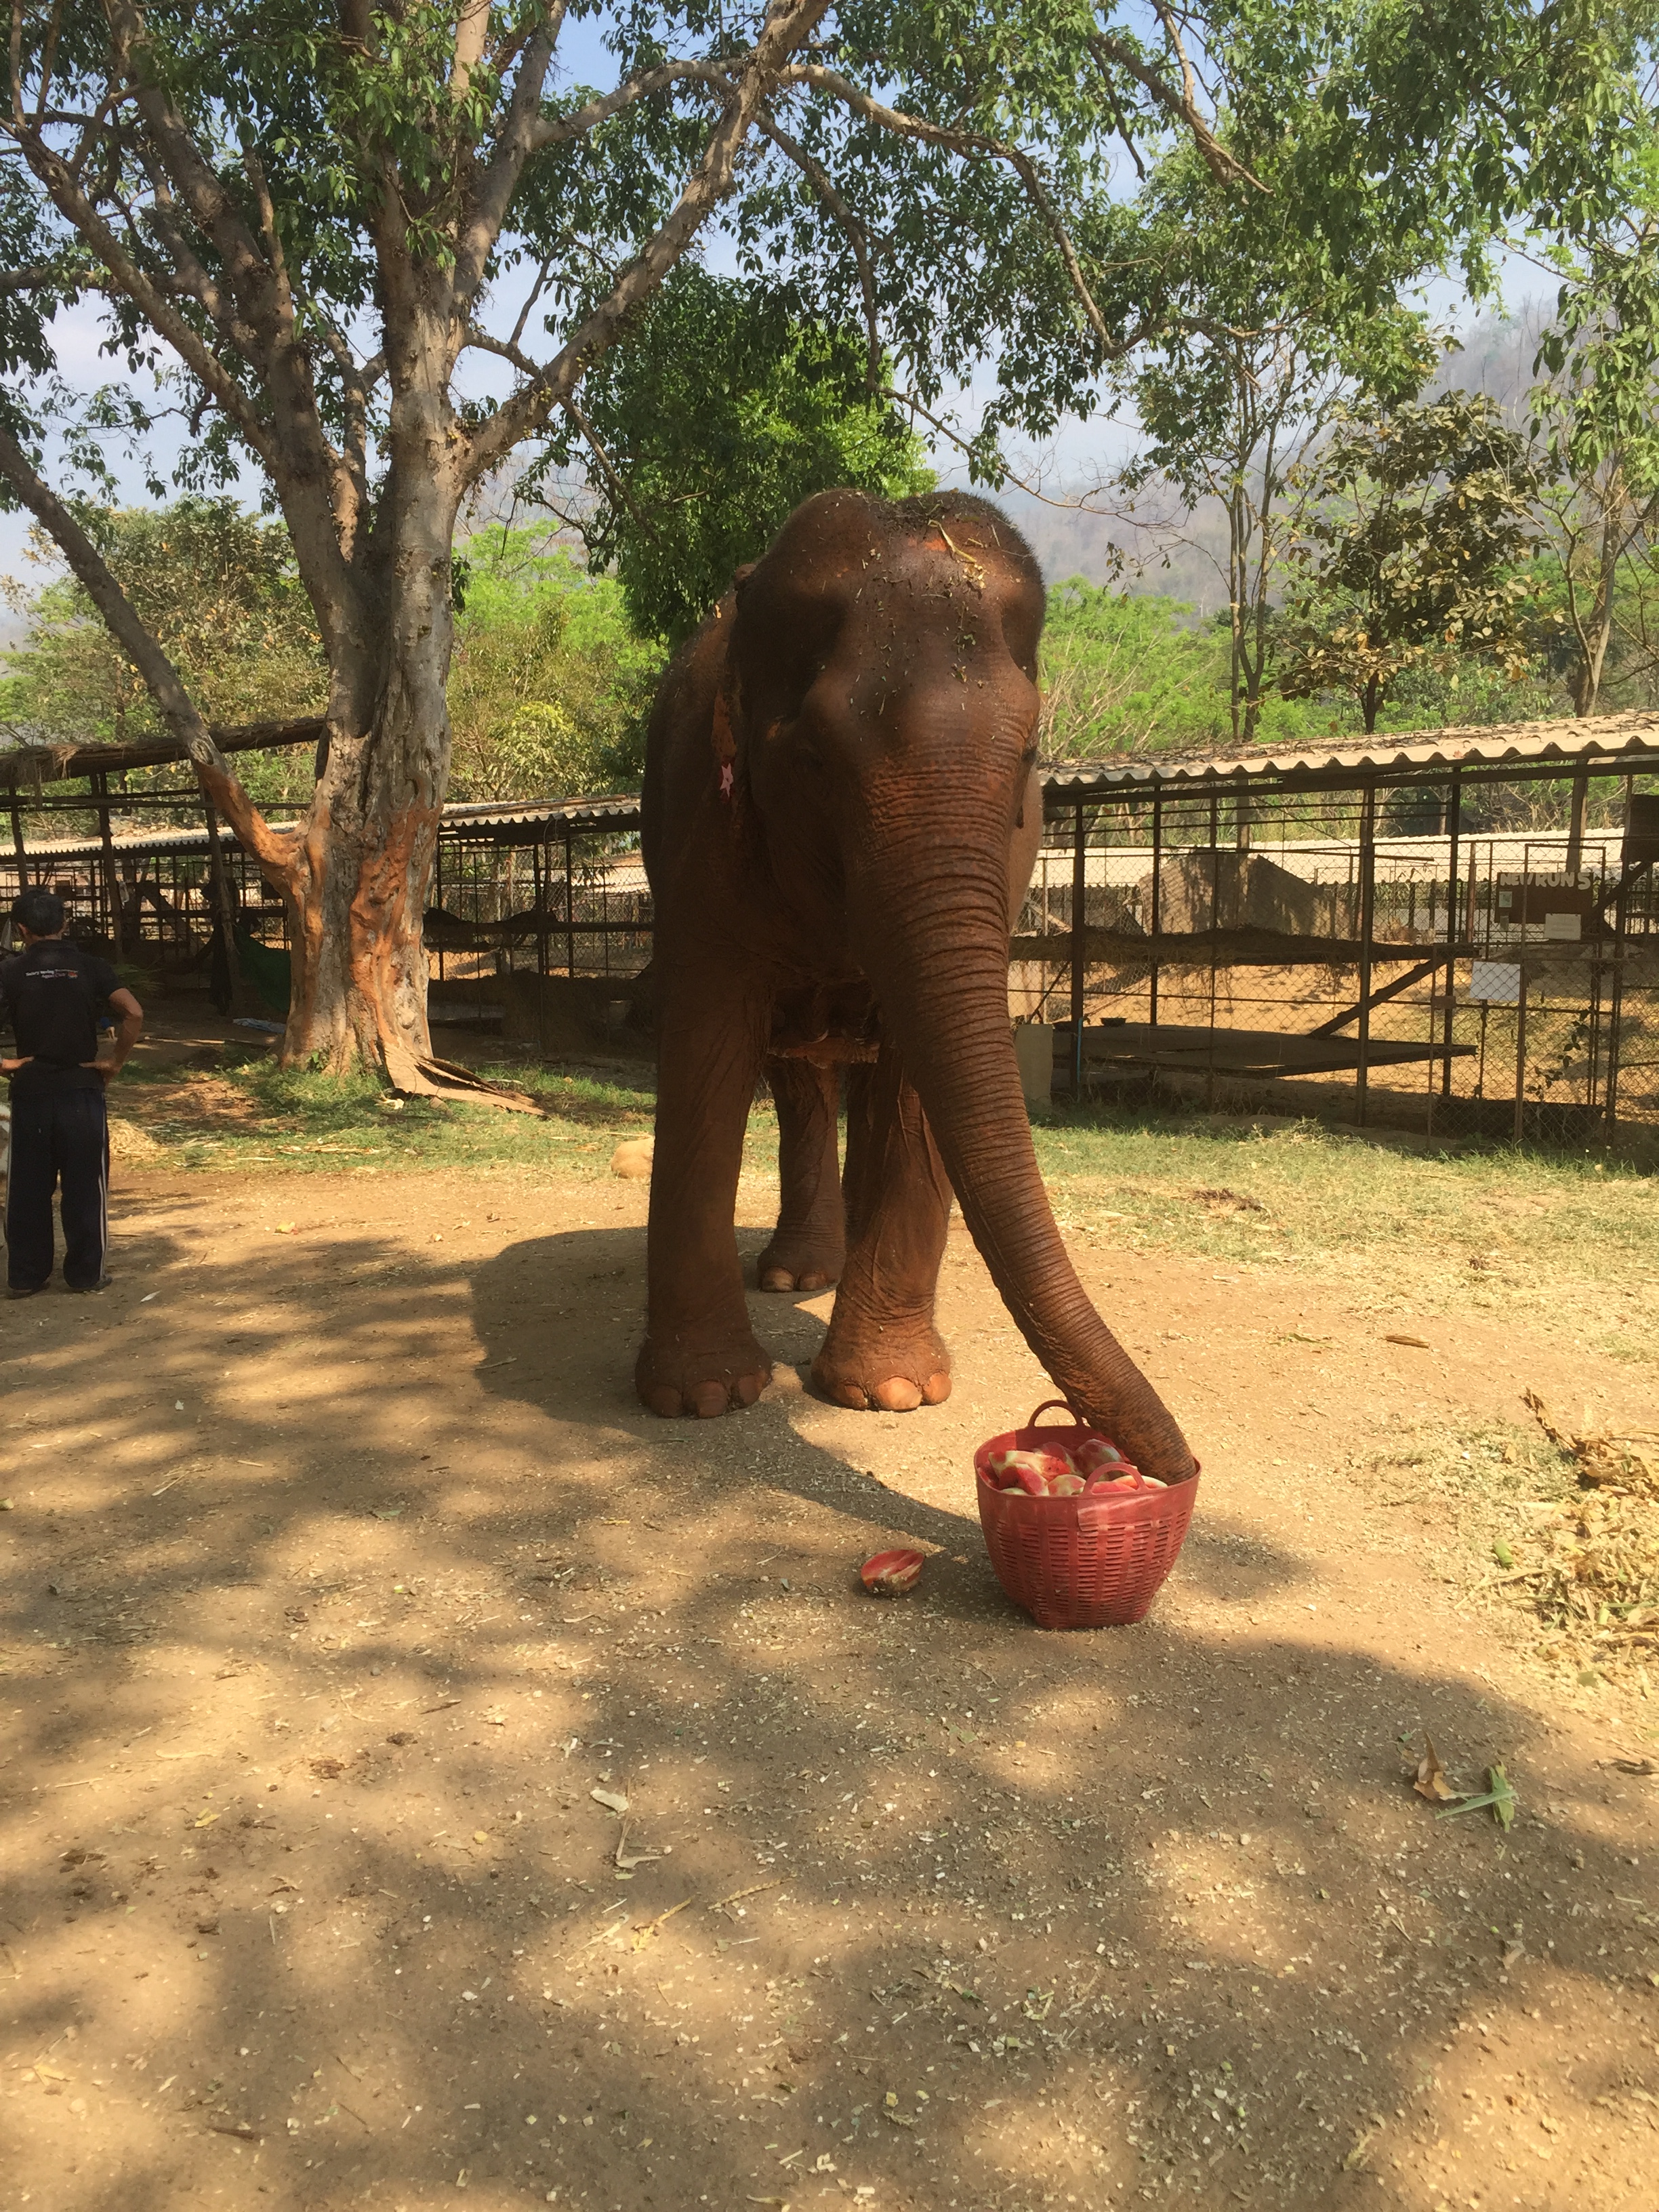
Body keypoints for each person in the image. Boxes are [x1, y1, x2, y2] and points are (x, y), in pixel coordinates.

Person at [1, 888, 144, 1296]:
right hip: (82, 1091)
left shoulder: (10, 971)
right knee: (85, 1185)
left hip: (31, 1093)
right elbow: (133, 1012)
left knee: (28, 1188)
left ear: (22, 929)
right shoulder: (91, 967)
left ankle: (26, 1277)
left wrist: (6, 1064)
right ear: (65, 924)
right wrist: (114, 1061)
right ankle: (85, 1274)